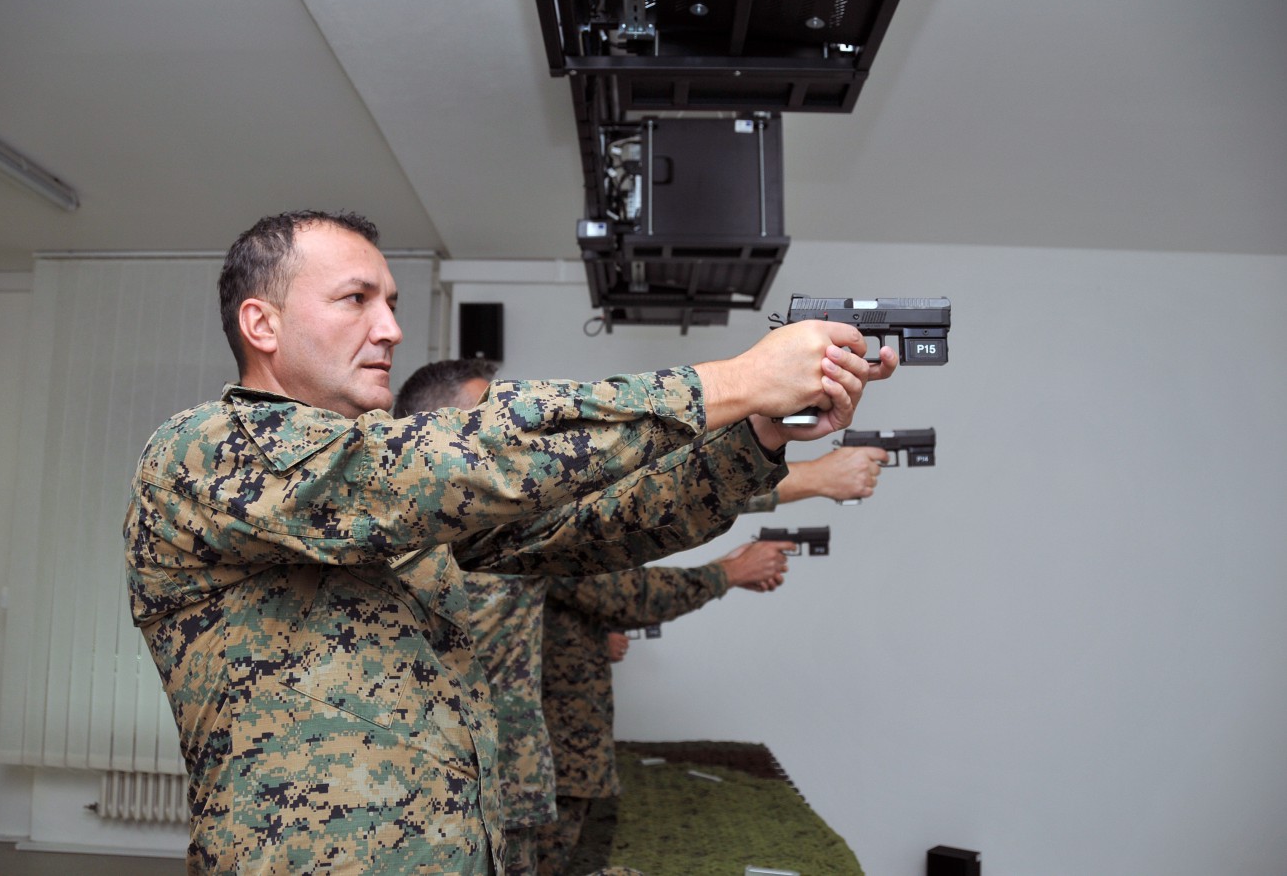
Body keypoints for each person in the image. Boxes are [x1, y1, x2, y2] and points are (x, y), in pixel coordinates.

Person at [123, 209, 894, 874]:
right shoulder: (206, 451)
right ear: (261, 324)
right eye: (355, 300)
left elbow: (595, 527)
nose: (389, 329)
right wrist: (729, 383)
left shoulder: (395, 500)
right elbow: (472, 459)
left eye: (390, 303)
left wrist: (754, 436)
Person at [394, 360, 888, 876]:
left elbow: (623, 505)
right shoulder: (449, 524)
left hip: (486, 783)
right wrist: (802, 480)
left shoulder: (449, 524)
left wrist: (771, 445)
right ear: (435, 435)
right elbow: (618, 511)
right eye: (487, 426)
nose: (511, 443)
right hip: (476, 788)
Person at [536, 447, 889, 875]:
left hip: (551, 755)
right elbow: (636, 569)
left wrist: (583, 635)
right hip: (543, 762)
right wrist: (729, 572)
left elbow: (586, 582)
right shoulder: (532, 502)